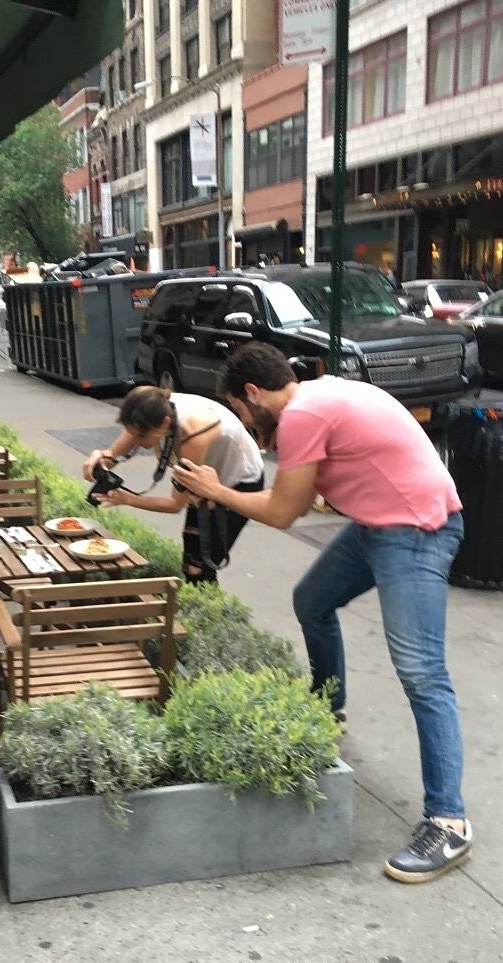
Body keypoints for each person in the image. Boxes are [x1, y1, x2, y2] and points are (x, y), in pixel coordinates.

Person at [172, 343, 469, 883]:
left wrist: (217, 490)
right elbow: (308, 495)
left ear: (254, 393)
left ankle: (448, 822)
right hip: (377, 524)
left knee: (423, 674)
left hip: (417, 531)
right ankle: (329, 709)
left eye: (240, 409)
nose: (243, 421)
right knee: (312, 601)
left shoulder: (300, 415)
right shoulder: (315, 397)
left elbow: (285, 512)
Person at [82, 385, 264, 583]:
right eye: (131, 433)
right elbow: (115, 454)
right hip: (205, 480)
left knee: (201, 566)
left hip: (239, 482)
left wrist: (127, 499)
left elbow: (174, 504)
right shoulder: (151, 408)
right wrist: (100, 459)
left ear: (165, 423)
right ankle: (196, 602)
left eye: (141, 436)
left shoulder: (193, 434)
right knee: (190, 563)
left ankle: (206, 609)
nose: (136, 441)